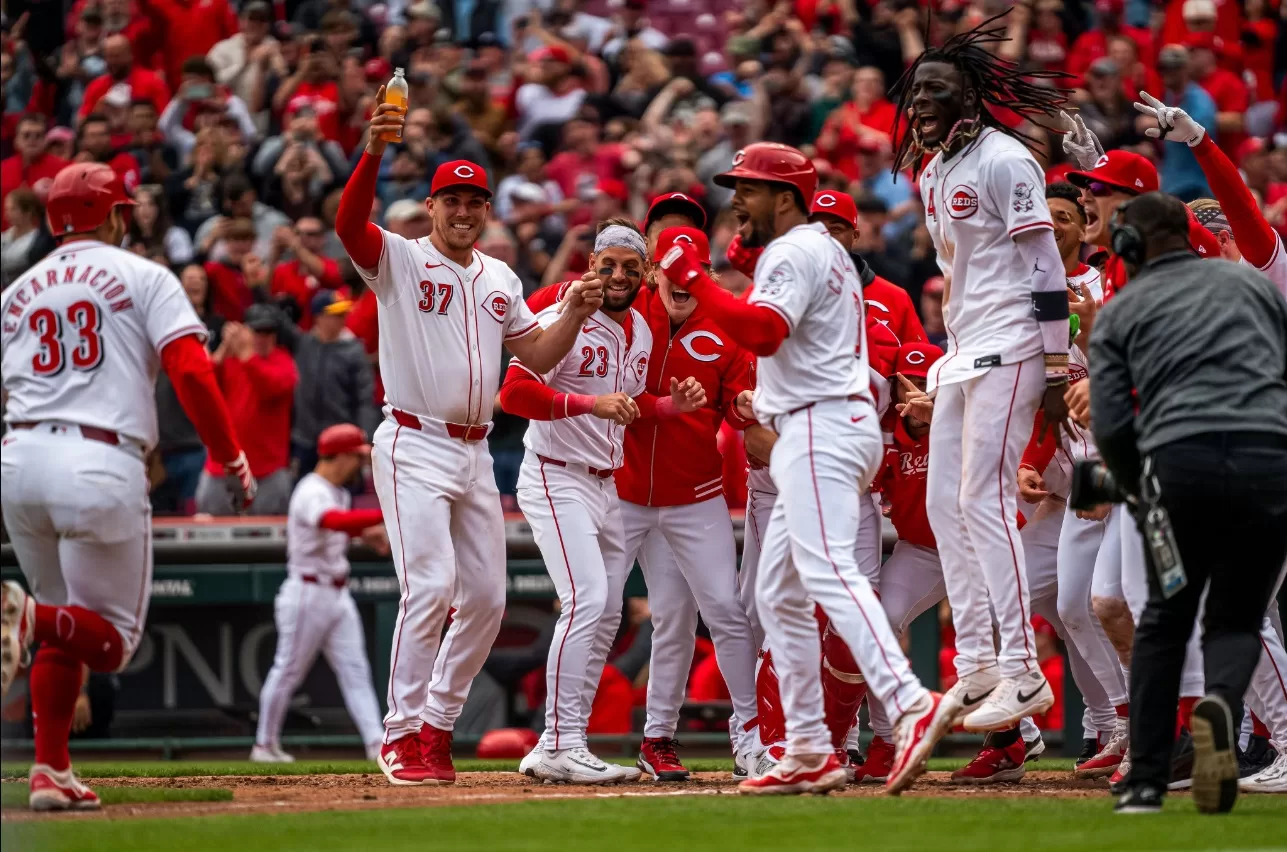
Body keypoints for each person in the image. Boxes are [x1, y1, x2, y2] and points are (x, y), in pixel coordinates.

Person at [659, 141, 950, 796]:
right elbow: (755, 275)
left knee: (825, 571)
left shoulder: (796, 249)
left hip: (821, 424)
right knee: (779, 593)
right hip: (820, 424)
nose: (736, 199)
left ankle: (907, 700)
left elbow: (761, 333)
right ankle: (811, 748)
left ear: (785, 198)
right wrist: (728, 261)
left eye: (750, 189)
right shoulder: (818, 251)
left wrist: (699, 281)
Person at [335, 89, 605, 787]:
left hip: (475, 448)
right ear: (431, 207)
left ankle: (436, 725)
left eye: (473, 201)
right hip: (413, 439)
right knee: (429, 586)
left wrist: (571, 311)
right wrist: (372, 148)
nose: (462, 211)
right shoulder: (398, 259)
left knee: (486, 597)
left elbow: (537, 358)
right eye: (450, 200)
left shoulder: (501, 276)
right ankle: (398, 734)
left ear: (485, 209)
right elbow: (346, 224)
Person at [0, 162, 253, 811]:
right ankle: (25, 615)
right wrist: (229, 456)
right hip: (97, 458)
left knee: (66, 628)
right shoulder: (145, 275)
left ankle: (50, 771)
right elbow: (192, 372)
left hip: (19, 458)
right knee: (111, 641)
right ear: (114, 215)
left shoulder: (17, 290)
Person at [894, 16, 1069, 733]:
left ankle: (1024, 672)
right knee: (945, 506)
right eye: (914, 92)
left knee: (985, 498)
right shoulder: (933, 169)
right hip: (961, 350)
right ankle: (976, 663)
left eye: (935, 90)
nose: (920, 103)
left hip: (1016, 344)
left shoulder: (1005, 160)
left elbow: (1043, 265)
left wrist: (1056, 364)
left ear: (968, 95)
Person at [1089, 191, 1287, 814]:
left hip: (1179, 465)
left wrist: (1134, 486)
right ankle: (1222, 706)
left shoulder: (1121, 311)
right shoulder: (1246, 286)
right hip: (1268, 461)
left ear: (1128, 247)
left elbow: (1114, 423)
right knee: (1236, 616)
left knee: (1165, 622)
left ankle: (1148, 779)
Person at [501, 218, 706, 784]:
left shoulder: (640, 327)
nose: (617, 275)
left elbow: (633, 402)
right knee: (587, 601)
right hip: (554, 474)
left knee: (608, 612)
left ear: (644, 277)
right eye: (607, 264)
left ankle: (568, 741)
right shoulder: (566, 312)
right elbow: (514, 393)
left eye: (629, 268)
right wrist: (589, 406)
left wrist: (672, 408)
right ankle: (559, 742)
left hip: (604, 483)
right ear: (591, 266)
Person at [614, 227, 761, 780]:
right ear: (653, 273)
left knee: (722, 610)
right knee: (624, 613)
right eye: (669, 268)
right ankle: (595, 739)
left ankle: (747, 736)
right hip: (624, 490)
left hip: (694, 495)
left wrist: (746, 407)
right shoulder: (626, 314)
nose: (680, 279)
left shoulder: (727, 325)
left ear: (709, 275)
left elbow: (739, 410)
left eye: (690, 268)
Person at [252, 424, 388, 765]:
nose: (359, 464)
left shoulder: (338, 491)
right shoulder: (311, 489)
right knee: (287, 671)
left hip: (337, 593)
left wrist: (365, 536)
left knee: (356, 672)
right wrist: (387, 513)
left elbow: (336, 530)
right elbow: (331, 521)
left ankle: (377, 745)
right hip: (307, 592)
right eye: (355, 457)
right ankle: (264, 745)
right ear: (339, 456)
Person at [194, 304, 298, 515]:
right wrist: (224, 347)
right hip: (224, 466)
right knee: (209, 534)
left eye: (269, 332)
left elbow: (271, 387)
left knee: (269, 541)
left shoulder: (283, 361)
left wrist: (247, 356)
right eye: (257, 331)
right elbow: (202, 386)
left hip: (268, 471)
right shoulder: (232, 359)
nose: (263, 337)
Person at [284, 290, 379, 477]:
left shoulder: (353, 351)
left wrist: (365, 437)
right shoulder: (304, 344)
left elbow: (364, 399)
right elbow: (280, 323)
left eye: (342, 314)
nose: (341, 319)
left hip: (340, 443)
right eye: (335, 315)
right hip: (305, 439)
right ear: (318, 318)